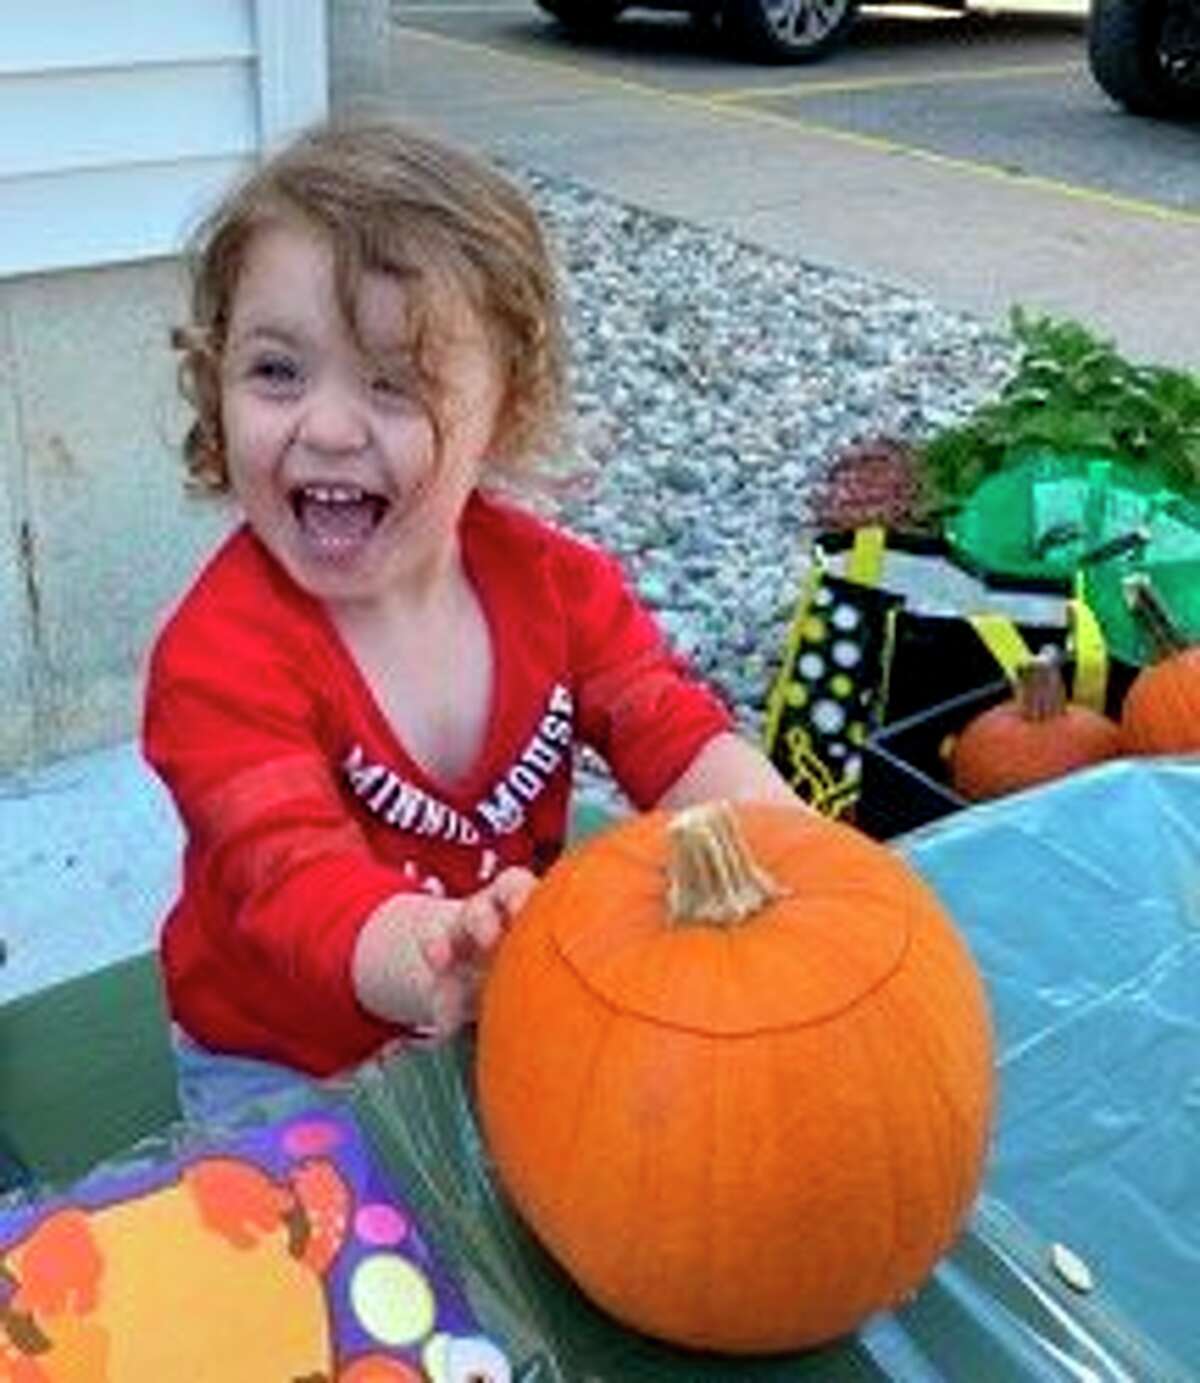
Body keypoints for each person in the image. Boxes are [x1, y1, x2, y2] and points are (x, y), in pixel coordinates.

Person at [142, 118, 801, 1117]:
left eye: (394, 384)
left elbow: (672, 733)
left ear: (505, 408)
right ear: (216, 377)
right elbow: (291, 882)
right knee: (305, 1265)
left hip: (502, 1006)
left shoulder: (557, 588)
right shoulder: (218, 661)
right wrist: (442, 958)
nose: (325, 427)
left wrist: (795, 851)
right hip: (282, 1061)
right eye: (277, 370)